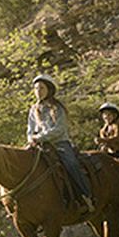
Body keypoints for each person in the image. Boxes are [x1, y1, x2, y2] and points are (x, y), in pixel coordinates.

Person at [26, 73, 91, 209]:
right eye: (36, 88)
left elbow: (59, 130)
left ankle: (87, 195)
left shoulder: (57, 108)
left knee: (72, 164)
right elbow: (30, 129)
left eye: (42, 88)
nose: (38, 91)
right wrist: (31, 138)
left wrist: (39, 137)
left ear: (49, 90)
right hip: (39, 145)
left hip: (59, 144)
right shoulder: (33, 110)